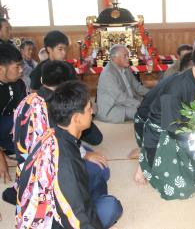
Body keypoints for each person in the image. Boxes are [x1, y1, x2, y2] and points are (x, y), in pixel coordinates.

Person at [134, 38, 195, 200]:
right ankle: (144, 160)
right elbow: (173, 129)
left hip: (186, 129)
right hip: (161, 132)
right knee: (180, 190)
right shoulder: (175, 87)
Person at [16, 80, 122, 229]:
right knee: (112, 207)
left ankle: (90, 201)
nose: (92, 111)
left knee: (98, 176)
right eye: (88, 108)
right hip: (51, 221)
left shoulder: (52, 134)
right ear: (76, 118)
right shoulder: (66, 162)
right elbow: (77, 220)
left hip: (53, 200)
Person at [3, 60, 109, 206]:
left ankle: (20, 191)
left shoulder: (27, 100)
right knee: (101, 171)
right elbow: (61, 147)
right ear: (67, 86)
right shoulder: (56, 107)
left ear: (41, 80)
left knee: (93, 157)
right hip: (47, 169)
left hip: (25, 167)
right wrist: (84, 155)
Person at [130, 52, 193, 159]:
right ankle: (145, 150)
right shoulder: (176, 85)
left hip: (157, 120)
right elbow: (170, 122)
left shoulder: (182, 80)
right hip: (147, 123)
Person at [96, 44, 149, 123]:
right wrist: (140, 104)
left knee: (152, 105)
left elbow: (137, 86)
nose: (128, 58)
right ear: (114, 58)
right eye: (125, 56)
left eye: (128, 55)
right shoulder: (108, 74)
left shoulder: (126, 67)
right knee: (146, 112)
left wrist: (152, 93)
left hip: (128, 101)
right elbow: (120, 97)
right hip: (114, 108)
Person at [0, 44, 26, 184]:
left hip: (6, 128)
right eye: (17, 67)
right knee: (12, 120)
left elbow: (24, 112)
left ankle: (6, 149)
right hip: (5, 124)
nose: (21, 70)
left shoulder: (18, 84)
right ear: (1, 68)